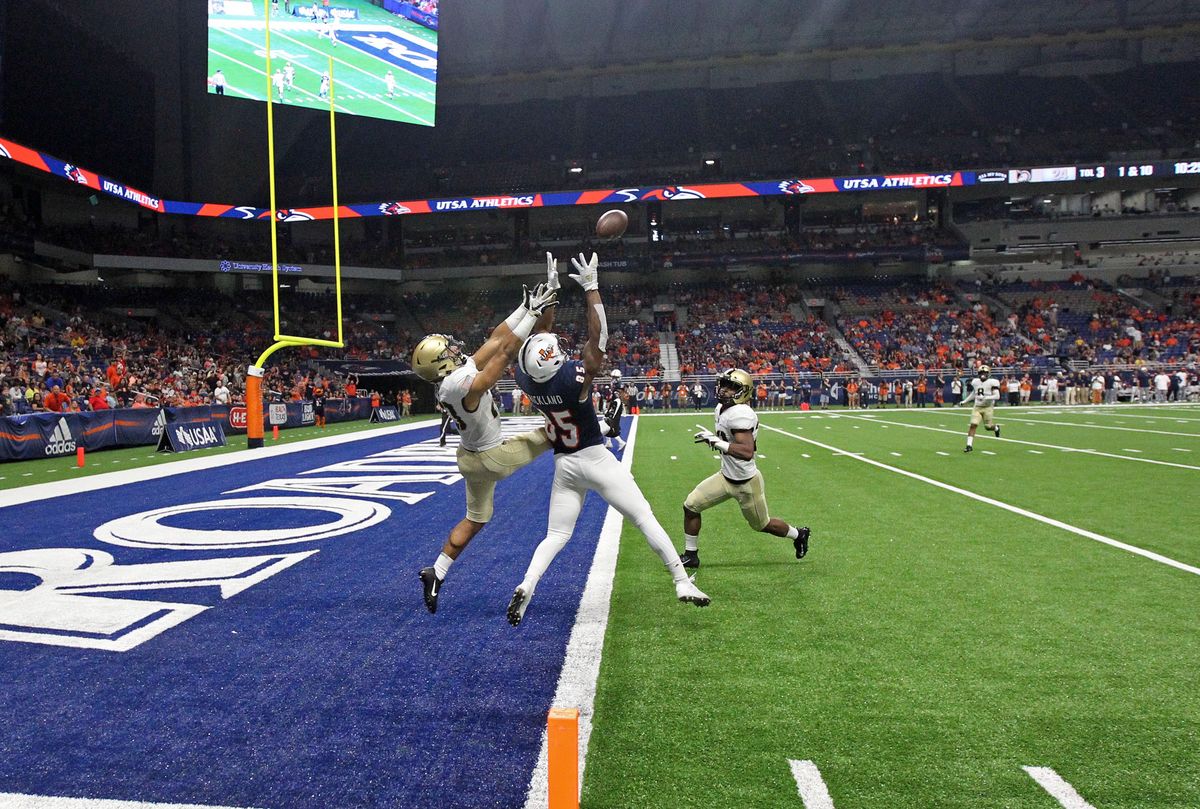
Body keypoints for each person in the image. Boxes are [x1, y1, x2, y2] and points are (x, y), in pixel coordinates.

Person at [507, 252, 709, 626]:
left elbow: (540, 336)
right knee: (644, 517)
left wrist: (550, 293)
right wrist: (591, 287)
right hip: (595, 460)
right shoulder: (573, 378)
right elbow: (598, 334)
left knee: (556, 534)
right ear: (555, 360)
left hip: (564, 465)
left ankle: (527, 583)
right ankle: (681, 581)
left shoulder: (527, 381)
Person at [413, 257, 560, 614]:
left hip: (469, 458)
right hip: (493, 458)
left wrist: (526, 308)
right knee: (556, 431)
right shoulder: (459, 384)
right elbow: (507, 352)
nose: (452, 349)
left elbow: (495, 339)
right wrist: (534, 317)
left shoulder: (449, 379)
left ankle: (438, 570)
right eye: (446, 350)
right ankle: (605, 426)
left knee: (476, 518)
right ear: (441, 364)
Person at [680, 368, 810, 570]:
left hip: (746, 484)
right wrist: (716, 440)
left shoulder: (741, 413)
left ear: (744, 391)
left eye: (732, 387)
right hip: (725, 478)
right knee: (690, 506)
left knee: (762, 524)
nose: (724, 390)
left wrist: (717, 442)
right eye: (724, 384)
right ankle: (691, 555)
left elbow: (747, 451)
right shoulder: (722, 408)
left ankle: (798, 534)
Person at [961, 364, 1002, 453]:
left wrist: (986, 398)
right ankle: (969, 446)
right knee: (973, 425)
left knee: (988, 427)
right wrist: (965, 401)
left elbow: (997, 396)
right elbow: (974, 393)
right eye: (981, 373)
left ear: (988, 373)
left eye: (985, 373)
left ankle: (996, 428)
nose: (983, 374)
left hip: (988, 407)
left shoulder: (992, 382)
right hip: (977, 407)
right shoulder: (975, 382)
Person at [600, 369, 627, 451]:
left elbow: (618, 399)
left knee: (609, 424)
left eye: (615, 377)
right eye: (613, 377)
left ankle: (620, 442)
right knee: (608, 424)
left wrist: (610, 408)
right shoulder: (617, 385)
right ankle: (609, 442)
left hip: (616, 407)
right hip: (615, 406)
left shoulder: (619, 386)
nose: (613, 379)